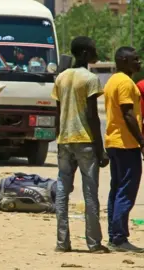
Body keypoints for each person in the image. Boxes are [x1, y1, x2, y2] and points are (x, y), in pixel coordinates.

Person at [51, 36, 109, 254]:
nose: (96, 53)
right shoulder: (90, 79)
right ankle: (94, 243)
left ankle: (62, 242)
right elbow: (93, 117)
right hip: (84, 141)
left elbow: (58, 113)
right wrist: (100, 149)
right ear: (85, 53)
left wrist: (59, 138)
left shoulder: (61, 78)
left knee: (62, 192)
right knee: (90, 193)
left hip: (64, 141)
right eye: (94, 50)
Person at [104, 46, 143, 252]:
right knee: (126, 191)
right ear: (124, 61)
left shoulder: (112, 80)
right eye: (135, 60)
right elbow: (128, 114)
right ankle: (119, 238)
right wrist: (142, 142)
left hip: (113, 142)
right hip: (126, 144)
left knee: (116, 190)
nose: (139, 63)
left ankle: (114, 235)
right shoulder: (126, 83)